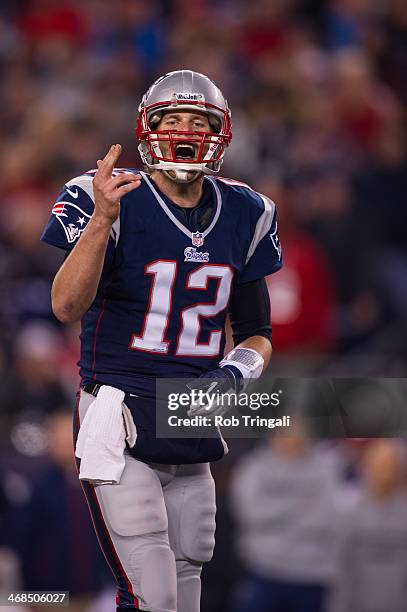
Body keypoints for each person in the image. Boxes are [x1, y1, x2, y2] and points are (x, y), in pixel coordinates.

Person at [41, 70, 282, 612]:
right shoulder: (107, 195)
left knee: (186, 583)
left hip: (192, 412)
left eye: (198, 121)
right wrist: (102, 219)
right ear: (148, 129)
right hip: (119, 408)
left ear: (221, 133)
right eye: (172, 119)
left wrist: (233, 374)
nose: (185, 130)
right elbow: (65, 305)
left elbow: (258, 334)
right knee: (150, 589)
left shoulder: (247, 211)